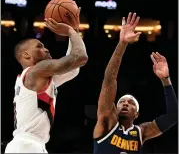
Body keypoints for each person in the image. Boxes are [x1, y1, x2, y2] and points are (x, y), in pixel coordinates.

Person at [5, 9, 88, 153]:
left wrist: (74, 30)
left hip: (32, 145)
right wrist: (71, 31)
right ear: (26, 55)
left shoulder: (37, 77)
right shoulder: (36, 70)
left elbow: (74, 68)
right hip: (27, 146)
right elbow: (80, 57)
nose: (47, 49)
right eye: (39, 46)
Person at [93, 12, 177, 154]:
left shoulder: (141, 132)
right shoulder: (106, 121)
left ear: (136, 114)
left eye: (130, 103)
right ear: (115, 108)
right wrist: (122, 44)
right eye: (121, 102)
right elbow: (109, 80)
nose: (125, 103)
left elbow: (174, 116)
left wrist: (165, 79)